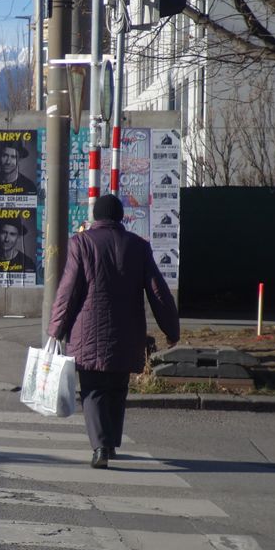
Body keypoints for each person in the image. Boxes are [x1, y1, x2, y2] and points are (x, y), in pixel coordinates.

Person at [48, 194, 179, 469]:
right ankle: (111, 443)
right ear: (120, 217)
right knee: (118, 388)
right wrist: (171, 328)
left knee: (93, 390)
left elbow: (67, 291)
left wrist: (56, 329)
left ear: (96, 216)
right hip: (127, 331)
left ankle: (100, 447)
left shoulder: (81, 243)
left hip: (87, 333)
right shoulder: (138, 246)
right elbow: (158, 291)